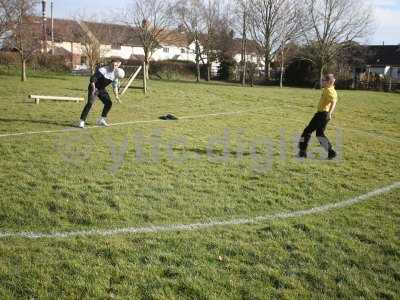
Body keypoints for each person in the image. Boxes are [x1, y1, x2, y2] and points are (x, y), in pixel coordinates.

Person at [298, 73, 338, 159]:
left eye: (324, 80)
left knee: (307, 131)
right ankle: (331, 152)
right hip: (323, 114)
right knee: (319, 134)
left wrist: (329, 113)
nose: (322, 81)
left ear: (328, 82)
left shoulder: (329, 91)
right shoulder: (330, 89)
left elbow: (334, 102)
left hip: (322, 115)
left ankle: (302, 151)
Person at [78, 59, 125, 128]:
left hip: (101, 89)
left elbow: (114, 87)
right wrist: (93, 89)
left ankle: (102, 120)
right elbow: (93, 79)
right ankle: (82, 121)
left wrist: (117, 97)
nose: (115, 67)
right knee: (90, 103)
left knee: (109, 103)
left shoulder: (116, 74)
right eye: (114, 65)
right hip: (94, 87)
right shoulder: (103, 70)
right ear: (110, 64)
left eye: (117, 65)